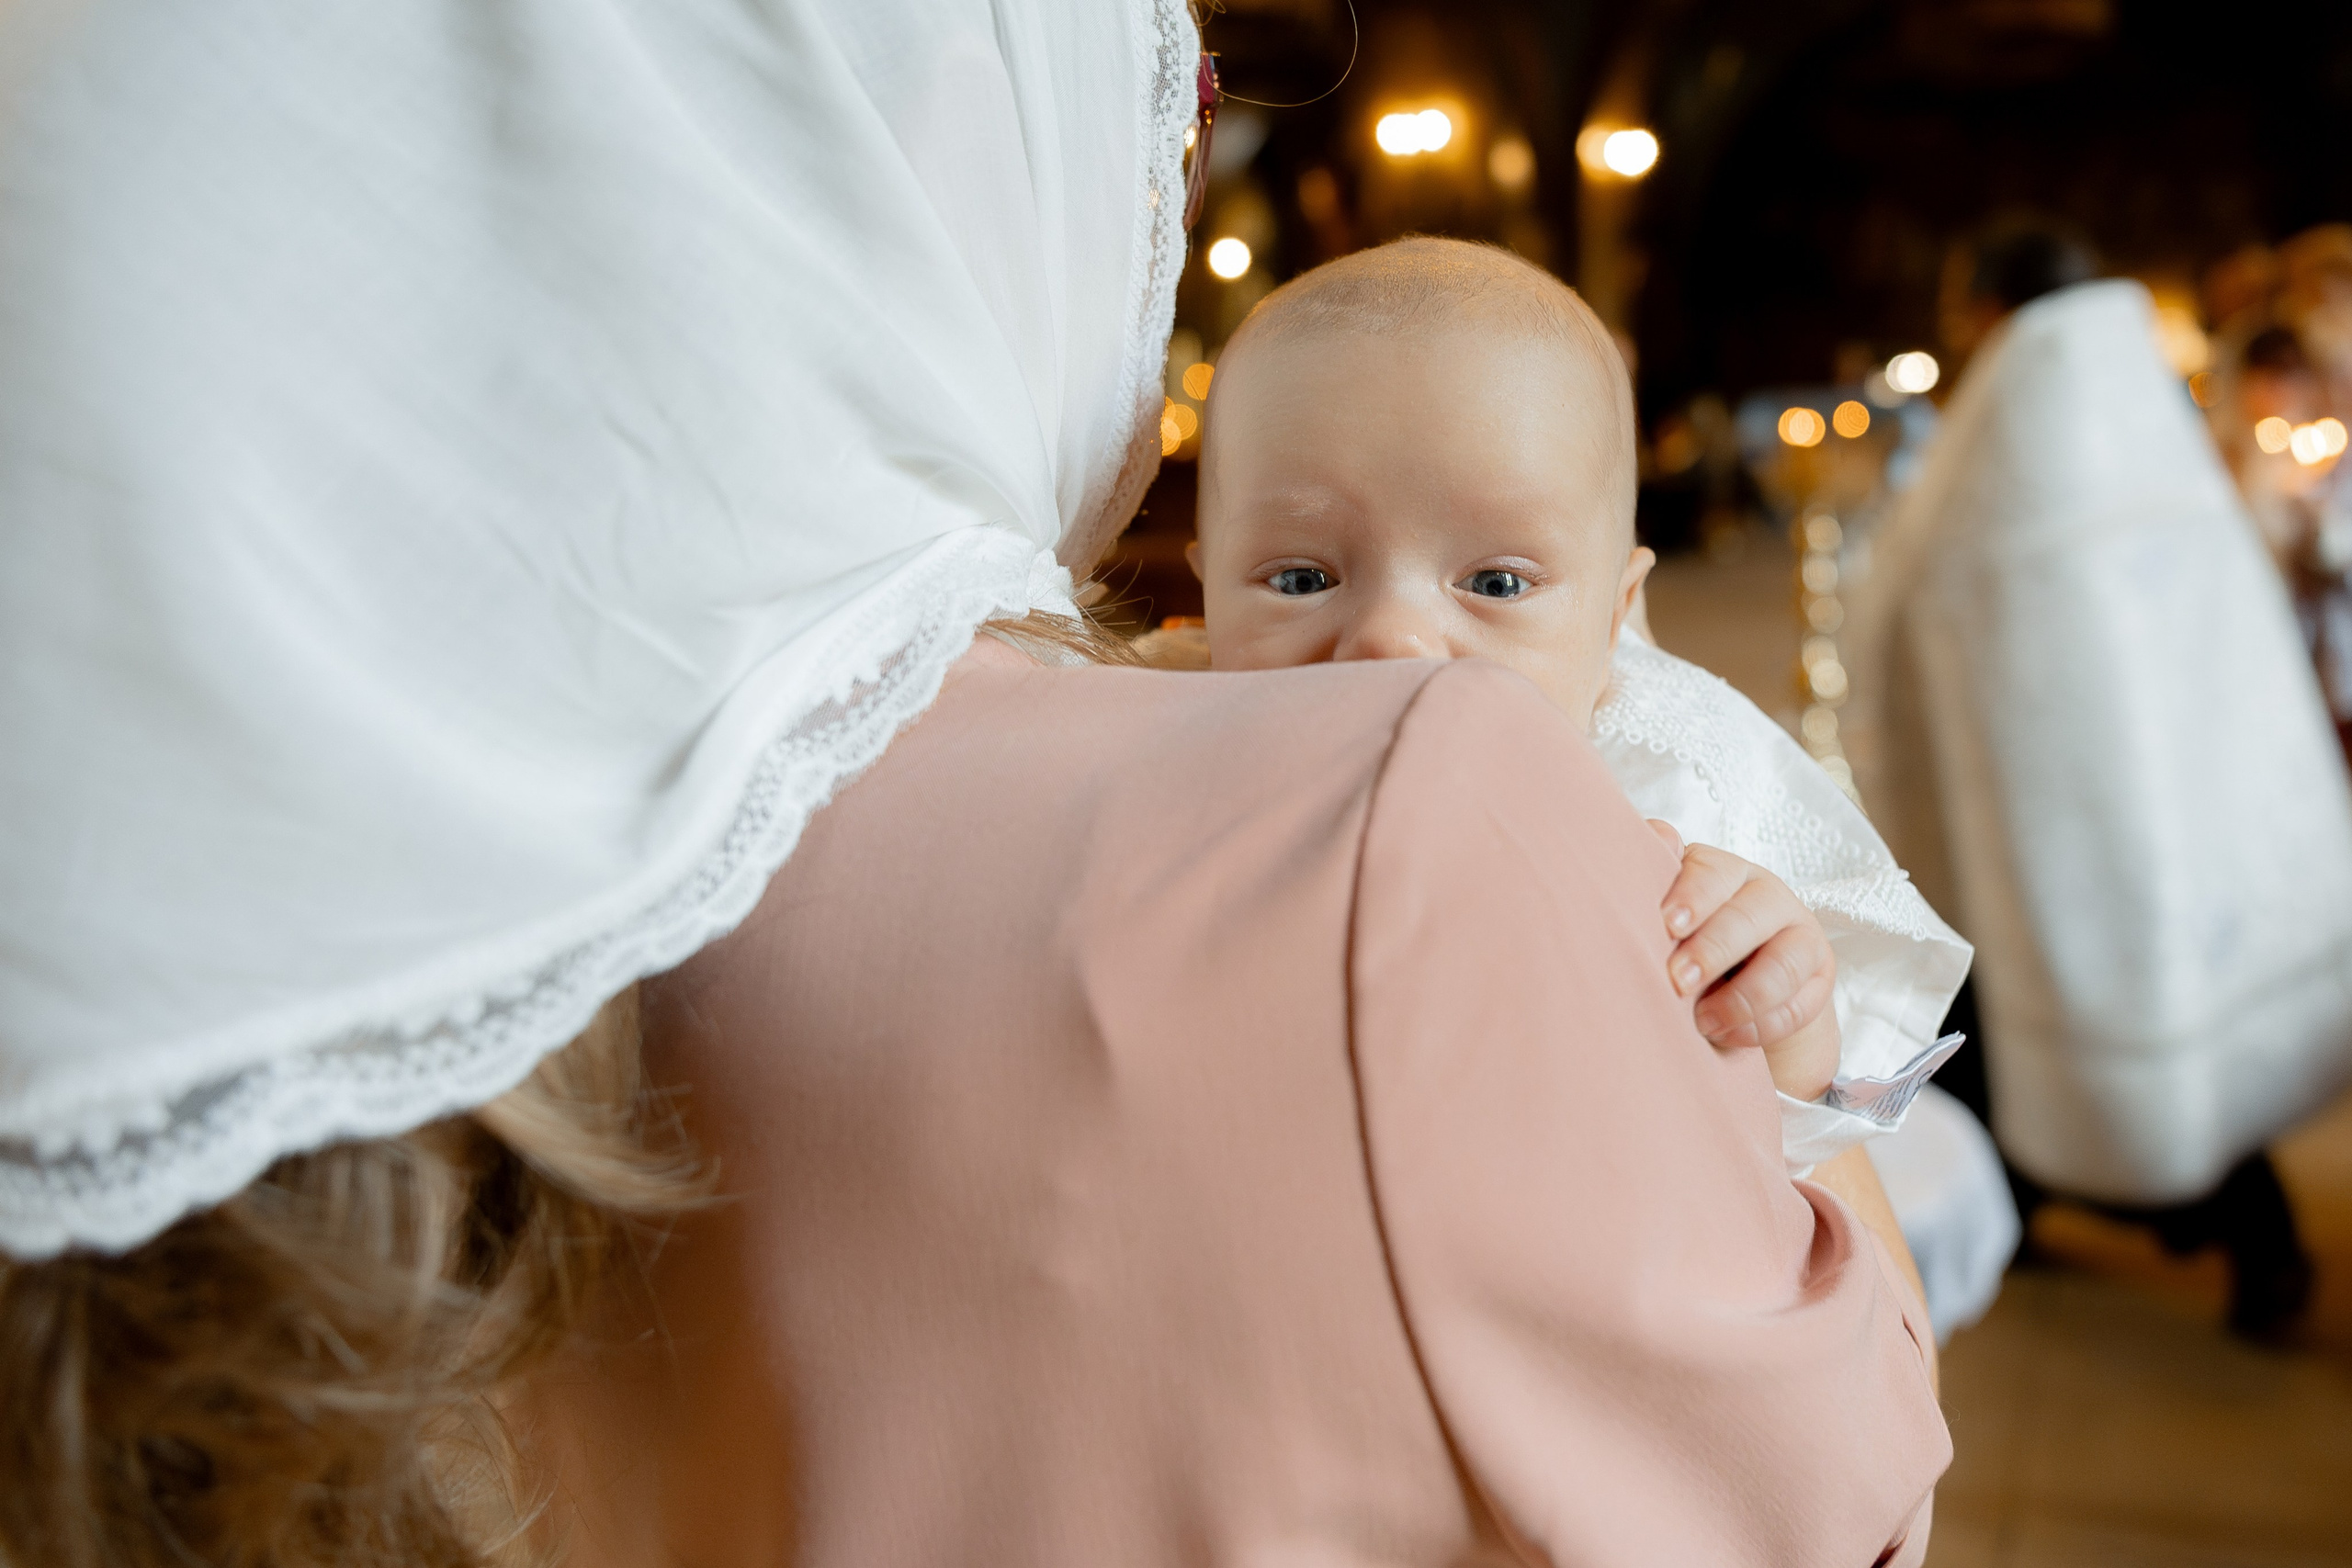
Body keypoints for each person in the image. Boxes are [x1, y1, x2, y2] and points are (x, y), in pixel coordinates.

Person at [0, 4, 1948, 1565]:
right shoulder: (1398, 825)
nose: (1387, 644)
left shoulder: (346, 914)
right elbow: (1830, 1498)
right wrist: (1805, 1133)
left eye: (1493, 583)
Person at [1182, 238, 1972, 1176]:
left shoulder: (1663, 804)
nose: (1391, 640)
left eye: (1496, 582)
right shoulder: (1158, 753)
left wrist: (1781, 1022)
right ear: (1206, 596)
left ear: (1614, 614)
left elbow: (1784, 1158)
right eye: (1302, 576)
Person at [1850, 220, 2352, 1335]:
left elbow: (1948, 595)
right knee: (2076, 1027)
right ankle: (2017, 1204)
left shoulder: (2028, 417)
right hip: (2142, 799)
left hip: (2068, 817)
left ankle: (2249, 1248)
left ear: (1990, 314)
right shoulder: (2126, 408)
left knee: (2120, 1037)